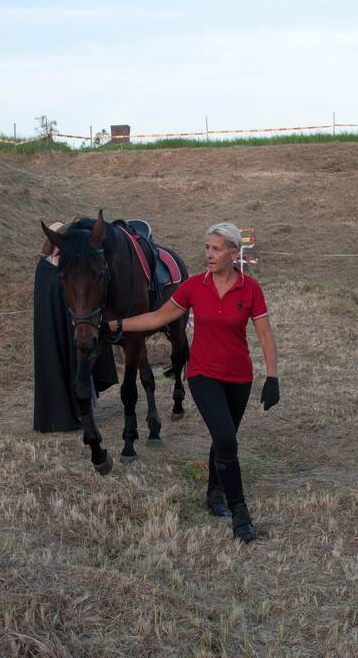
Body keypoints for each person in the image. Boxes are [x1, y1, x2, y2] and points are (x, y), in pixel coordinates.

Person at [107, 222, 278, 543]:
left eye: (216, 249)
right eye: (207, 248)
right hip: (203, 375)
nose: (209, 254)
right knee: (227, 439)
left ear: (233, 252)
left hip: (239, 376)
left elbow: (265, 335)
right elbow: (157, 318)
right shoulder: (193, 286)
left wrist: (272, 377)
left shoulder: (251, 289)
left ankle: (214, 493)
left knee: (223, 437)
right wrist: (116, 323)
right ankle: (239, 513)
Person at [33, 221, 117, 433]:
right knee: (59, 360)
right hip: (60, 329)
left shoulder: (70, 267)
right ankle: (63, 412)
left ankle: (80, 407)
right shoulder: (47, 269)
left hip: (77, 325)